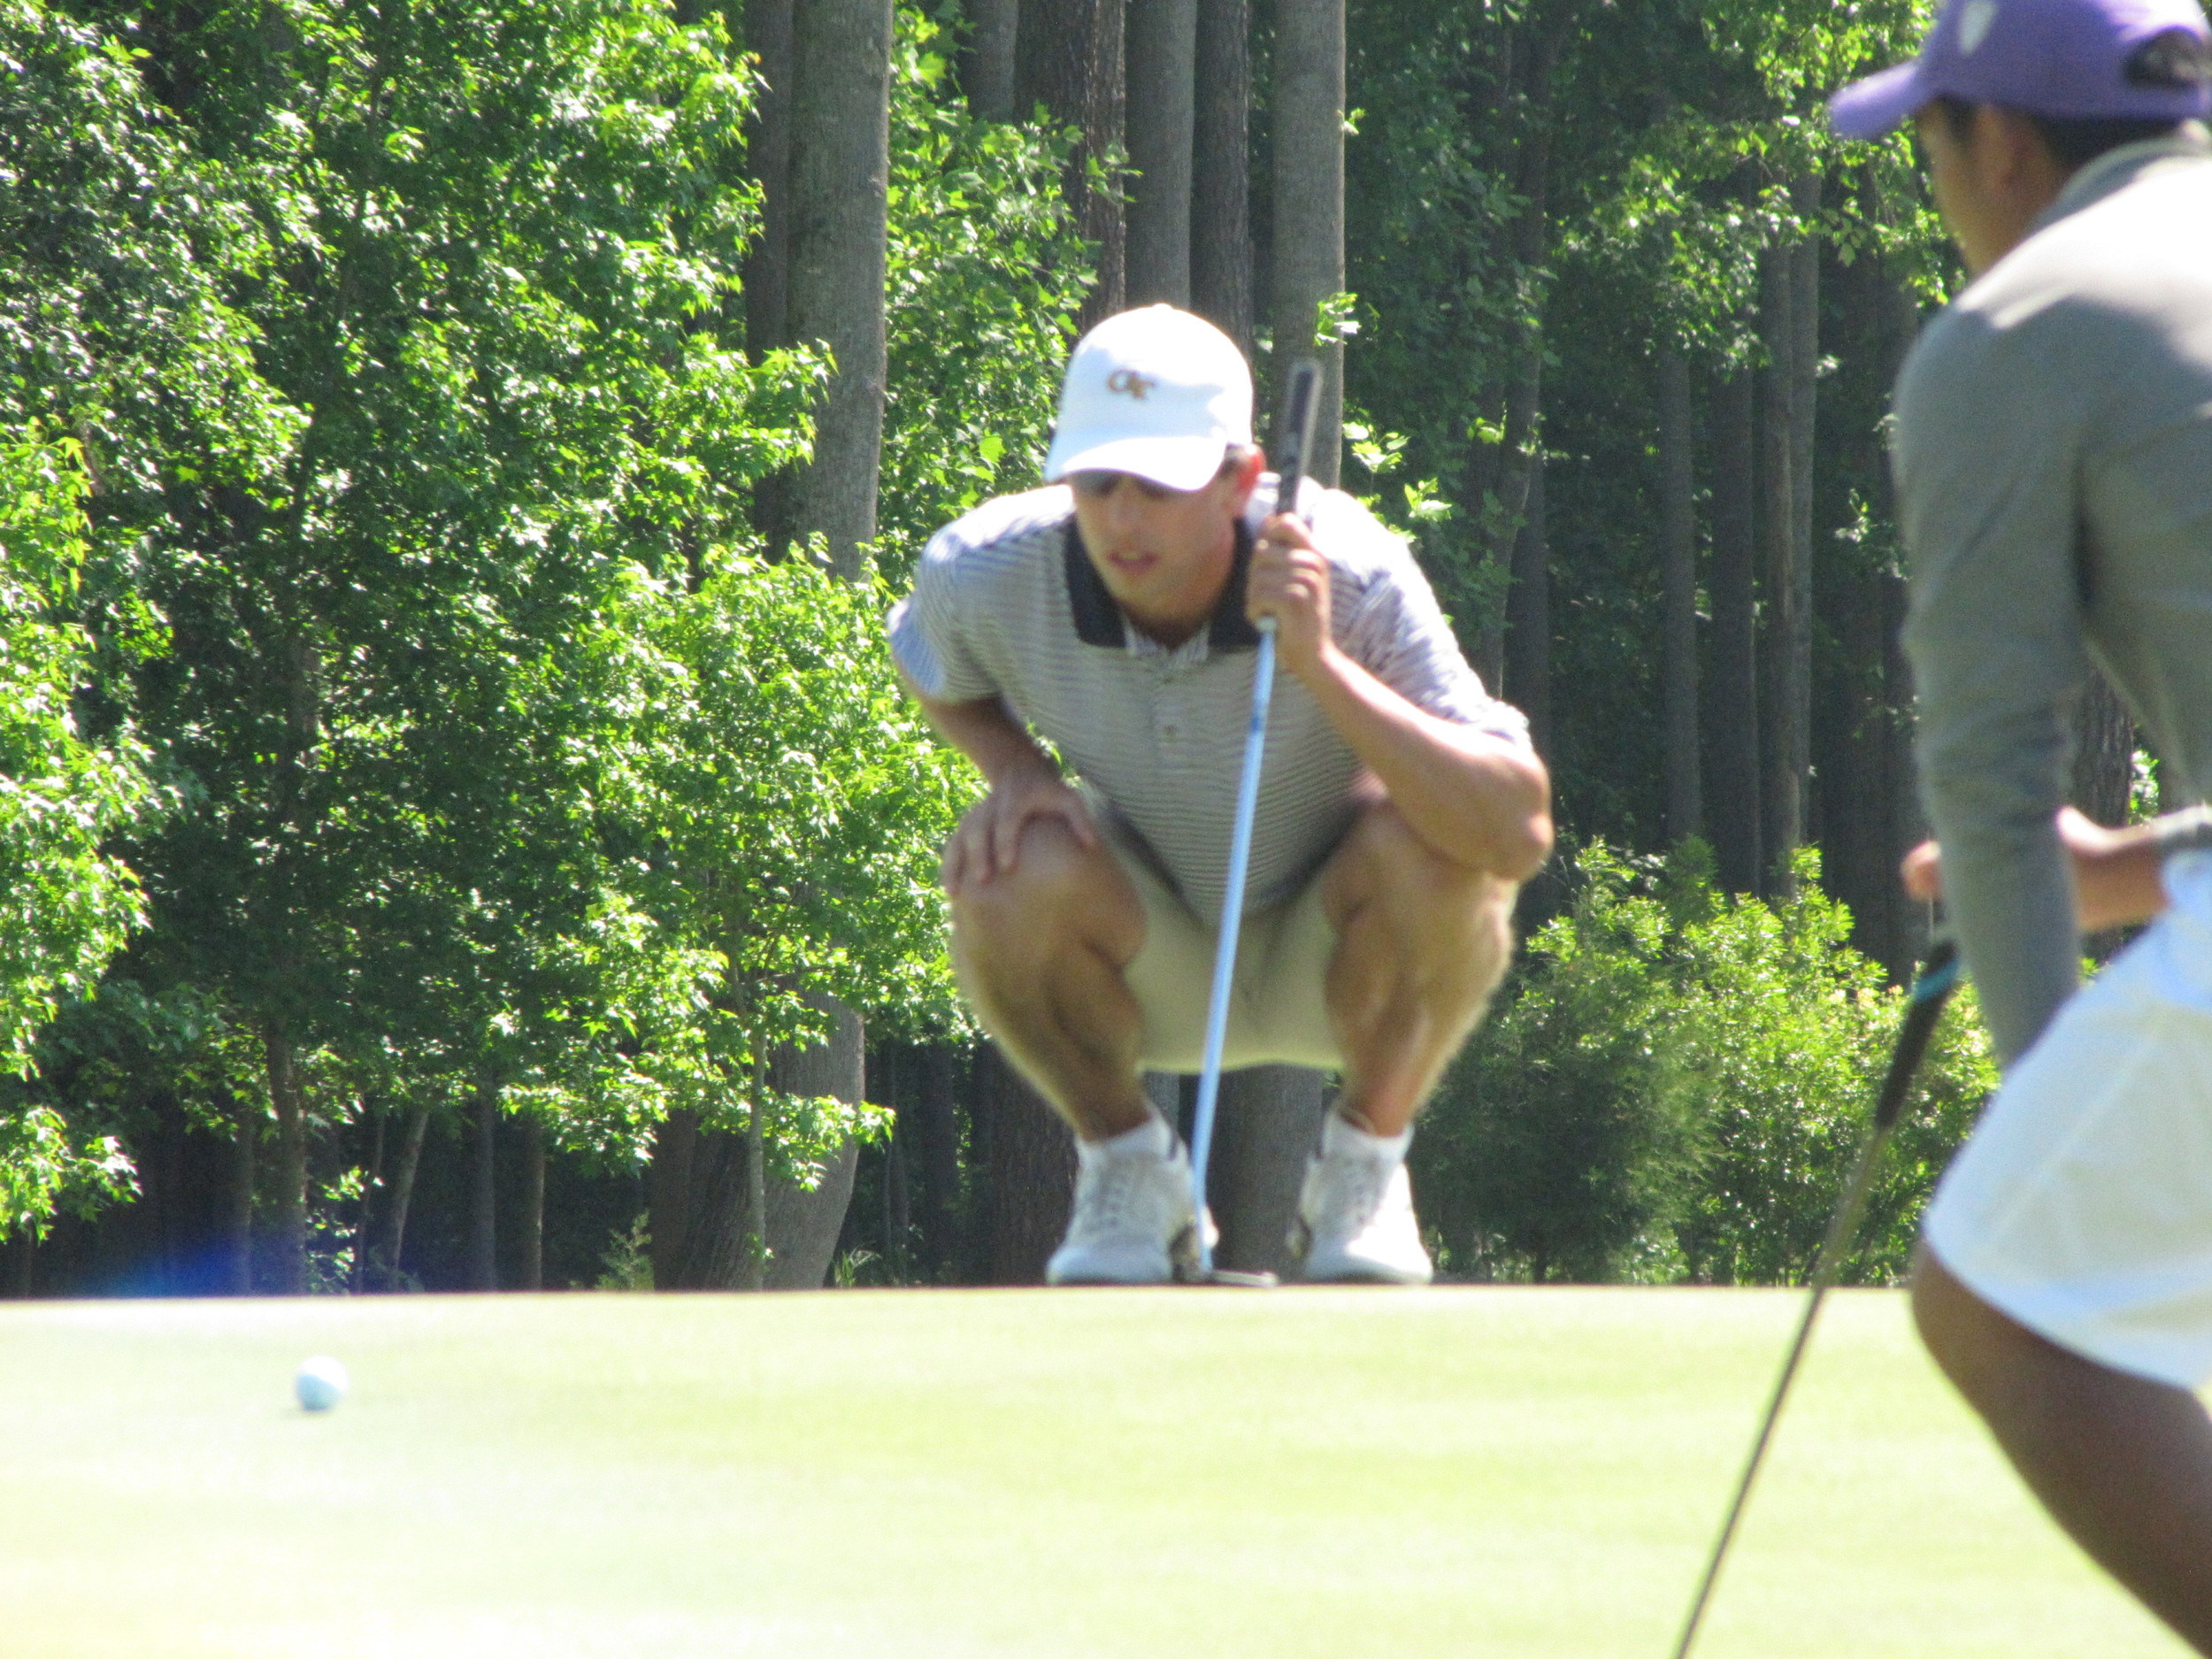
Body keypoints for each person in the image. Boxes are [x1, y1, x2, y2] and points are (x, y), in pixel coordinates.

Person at [886, 304, 1551, 1286]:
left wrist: (1320, 661)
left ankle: (1363, 1168)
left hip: (1339, 951)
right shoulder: (982, 569)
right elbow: (928, 661)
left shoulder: (1351, 568)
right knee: (1001, 864)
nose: (1120, 519)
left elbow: (1516, 829)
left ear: (1242, 479)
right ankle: (1130, 1171)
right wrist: (1019, 773)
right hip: (1149, 949)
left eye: (1157, 486)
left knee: (1439, 845)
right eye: (1098, 482)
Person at [1832, 0, 2212, 1647]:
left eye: (1927, 147)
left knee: (2003, 1298)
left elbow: (1989, 777)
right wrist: (2145, 868)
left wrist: (2045, 1085)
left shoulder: (2008, 333)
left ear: (1998, 141)